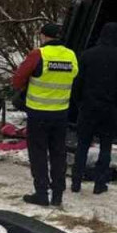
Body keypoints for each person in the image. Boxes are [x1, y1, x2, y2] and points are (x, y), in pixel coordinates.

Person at [12, 23, 79, 206]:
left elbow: (17, 80)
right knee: (58, 153)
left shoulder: (38, 54)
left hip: (38, 113)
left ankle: (41, 193)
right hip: (60, 113)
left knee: (38, 153)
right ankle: (58, 195)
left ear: (43, 36)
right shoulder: (71, 55)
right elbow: (73, 76)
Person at [71, 23, 117, 195]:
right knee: (105, 147)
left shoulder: (86, 55)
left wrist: (77, 101)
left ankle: (76, 181)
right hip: (110, 109)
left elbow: (77, 82)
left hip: (88, 107)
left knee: (83, 145)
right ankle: (99, 183)